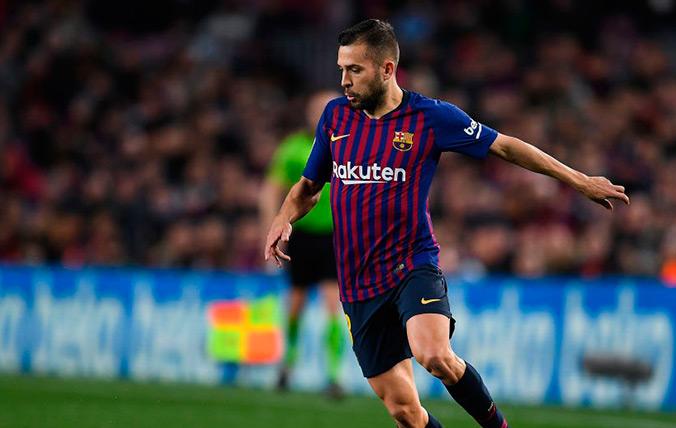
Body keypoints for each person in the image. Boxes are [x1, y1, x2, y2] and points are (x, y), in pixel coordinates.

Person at [264, 19, 629, 428]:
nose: (344, 81)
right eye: (341, 70)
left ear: (387, 69)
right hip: (358, 280)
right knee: (405, 412)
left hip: (411, 265)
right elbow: (308, 187)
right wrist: (282, 218)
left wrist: (579, 180)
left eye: (354, 70)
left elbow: (506, 146)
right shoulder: (335, 118)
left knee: (434, 354)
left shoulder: (430, 117)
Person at [259, 90, 346, 398]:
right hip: (300, 235)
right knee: (296, 303)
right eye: (316, 110)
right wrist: (272, 227)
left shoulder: (348, 145)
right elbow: (271, 189)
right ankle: (288, 365)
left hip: (334, 235)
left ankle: (333, 375)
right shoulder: (293, 148)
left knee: (331, 303)